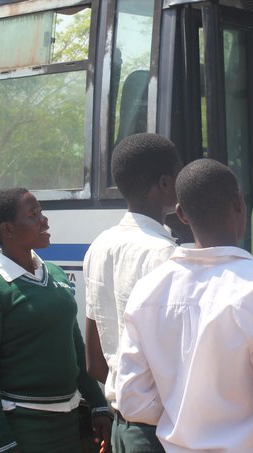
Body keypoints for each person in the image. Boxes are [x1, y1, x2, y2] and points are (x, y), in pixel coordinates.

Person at [115, 158, 253, 452]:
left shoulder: (147, 291)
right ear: (239, 205)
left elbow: (132, 401)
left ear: (180, 214)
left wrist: (189, 415)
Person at [0, 188, 111, 453]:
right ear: (7, 229)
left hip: (65, 426)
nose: (44, 220)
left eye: (40, 212)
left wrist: (98, 403)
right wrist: (3, 442)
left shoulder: (54, 274)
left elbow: (74, 345)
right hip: (20, 429)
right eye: (33, 215)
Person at [84, 133, 182, 453]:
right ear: (166, 183)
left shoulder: (99, 246)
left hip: (121, 428)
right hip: (159, 432)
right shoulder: (164, 254)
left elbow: (94, 360)